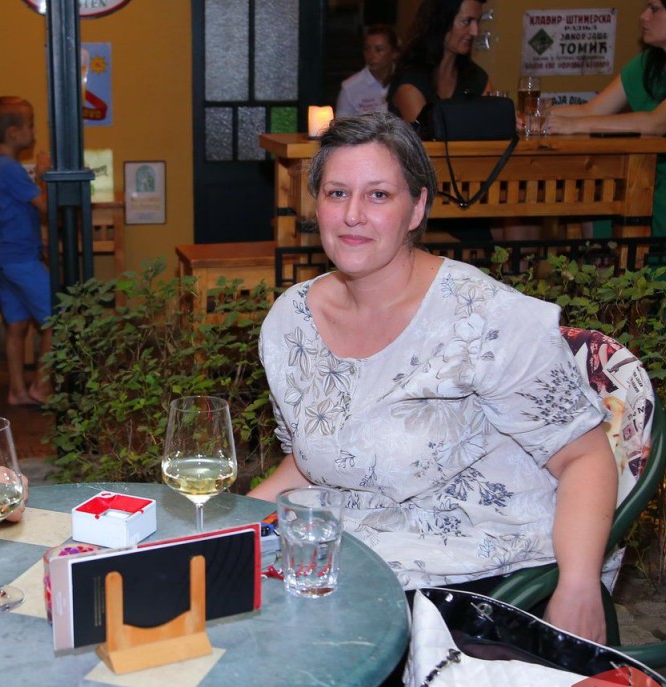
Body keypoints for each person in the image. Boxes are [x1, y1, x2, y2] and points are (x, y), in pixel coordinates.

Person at [252, 112, 617, 644]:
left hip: (488, 575)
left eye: (378, 195)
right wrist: (225, 530)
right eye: (337, 193)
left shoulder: (483, 317)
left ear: (417, 207)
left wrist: (579, 585)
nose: (352, 214)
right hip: (358, 565)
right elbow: (307, 465)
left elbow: (584, 456)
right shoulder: (292, 321)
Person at [544, 0, 666, 237]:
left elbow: (656, 123)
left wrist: (573, 125)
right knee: (595, 195)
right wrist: (533, 117)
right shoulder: (650, 63)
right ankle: (602, 261)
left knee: (608, 198)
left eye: (654, 9)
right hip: (652, 179)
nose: (643, 16)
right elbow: (591, 110)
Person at [0, 96, 53, 406]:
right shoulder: (9, 168)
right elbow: (45, 207)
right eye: (31, 125)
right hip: (20, 259)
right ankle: (42, 387)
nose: (34, 131)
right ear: (13, 133)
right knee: (58, 318)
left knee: (17, 325)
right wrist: (43, 174)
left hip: (4, 256)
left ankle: (17, 391)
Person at [389, 0, 493, 123]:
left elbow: (495, 120)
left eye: (478, 21)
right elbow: (427, 133)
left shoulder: (475, 77)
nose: (475, 31)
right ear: (440, 22)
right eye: (466, 22)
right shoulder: (412, 81)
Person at [335, 24, 399, 117]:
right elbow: (341, 124)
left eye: (379, 50)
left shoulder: (405, 81)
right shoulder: (350, 87)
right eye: (367, 49)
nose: (371, 55)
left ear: (394, 53)